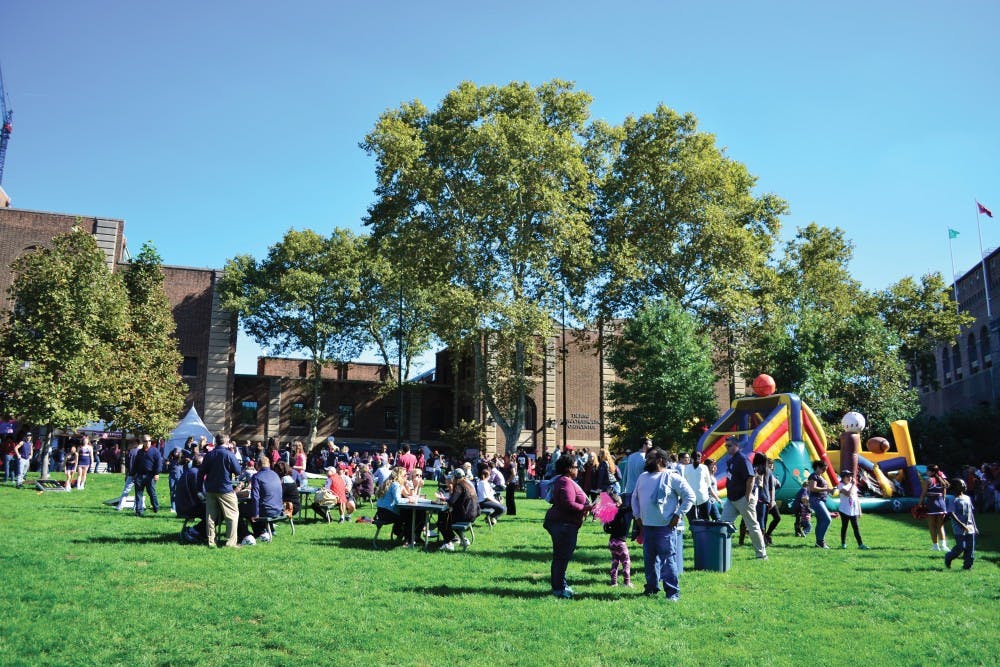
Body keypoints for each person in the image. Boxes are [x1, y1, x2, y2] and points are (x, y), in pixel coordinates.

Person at [631, 448, 695, 600]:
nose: (646, 461)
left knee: (667, 561)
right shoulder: (643, 477)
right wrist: (637, 516)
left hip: (665, 527)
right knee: (650, 561)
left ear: (660, 460)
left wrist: (678, 515)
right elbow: (635, 498)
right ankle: (651, 588)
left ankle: (672, 593)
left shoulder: (672, 477)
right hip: (647, 526)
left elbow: (690, 496)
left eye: (649, 458)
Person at [543, 455, 593, 599]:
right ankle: (559, 589)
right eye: (576, 467)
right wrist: (586, 507)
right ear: (569, 469)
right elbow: (568, 503)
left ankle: (561, 585)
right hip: (563, 525)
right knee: (561, 557)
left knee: (561, 557)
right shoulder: (565, 482)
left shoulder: (565, 481)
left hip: (563, 524)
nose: (578, 469)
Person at [721, 437, 768, 559]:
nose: (727, 448)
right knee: (722, 525)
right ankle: (721, 552)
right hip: (732, 499)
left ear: (737, 446)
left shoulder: (742, 459)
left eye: (729, 445)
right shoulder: (732, 459)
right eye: (726, 446)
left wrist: (748, 495)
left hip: (743, 498)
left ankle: (761, 555)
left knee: (752, 526)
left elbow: (751, 477)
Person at [201, 434, 242, 548]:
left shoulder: (209, 455)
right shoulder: (229, 454)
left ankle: (211, 542)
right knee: (232, 516)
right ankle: (230, 542)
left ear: (216, 441)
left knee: (210, 517)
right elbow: (238, 470)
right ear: (227, 441)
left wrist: (200, 489)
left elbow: (201, 472)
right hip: (225, 489)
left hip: (210, 489)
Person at [241, 456, 284, 542]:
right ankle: (261, 532)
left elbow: (255, 497)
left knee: (239, 508)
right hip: (278, 509)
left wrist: (256, 514)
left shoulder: (256, 477)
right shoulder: (275, 475)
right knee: (251, 508)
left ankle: (245, 534)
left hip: (266, 510)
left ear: (258, 466)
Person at [437, 469, 480, 551]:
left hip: (466, 515)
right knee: (447, 516)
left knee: (442, 520)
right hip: (473, 514)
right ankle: (463, 539)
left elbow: (452, 502)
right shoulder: (468, 484)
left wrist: (443, 499)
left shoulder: (459, 486)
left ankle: (449, 543)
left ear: (455, 477)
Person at [944, 478, 977, 570]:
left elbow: (971, 513)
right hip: (959, 527)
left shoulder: (967, 498)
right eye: (961, 484)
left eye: (964, 483)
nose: (964, 485)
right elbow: (951, 513)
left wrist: (974, 526)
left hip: (970, 527)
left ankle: (967, 566)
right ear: (955, 487)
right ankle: (948, 557)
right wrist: (961, 524)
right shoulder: (952, 499)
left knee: (970, 548)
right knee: (961, 547)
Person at [175, 454, 207, 543]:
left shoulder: (190, 471)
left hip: (183, 505)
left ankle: (200, 532)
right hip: (190, 507)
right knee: (216, 512)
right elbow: (201, 493)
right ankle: (195, 531)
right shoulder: (196, 473)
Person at [603, 492, 632, 587]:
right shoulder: (620, 511)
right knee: (626, 563)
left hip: (612, 542)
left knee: (615, 562)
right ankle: (627, 583)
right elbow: (629, 508)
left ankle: (613, 582)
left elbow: (607, 529)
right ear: (617, 503)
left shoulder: (609, 514)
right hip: (620, 543)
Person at [835, 470, 869, 549]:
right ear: (843, 478)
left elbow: (856, 498)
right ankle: (843, 544)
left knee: (856, 527)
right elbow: (847, 494)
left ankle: (860, 544)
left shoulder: (852, 485)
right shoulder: (840, 485)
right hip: (844, 510)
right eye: (847, 476)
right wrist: (853, 485)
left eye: (850, 476)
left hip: (854, 510)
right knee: (844, 527)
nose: (849, 478)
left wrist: (859, 510)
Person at [920, 464, 950, 551]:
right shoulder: (943, 481)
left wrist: (920, 504)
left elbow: (924, 493)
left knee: (932, 526)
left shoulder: (928, 480)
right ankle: (944, 546)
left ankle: (935, 546)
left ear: (932, 472)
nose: (926, 472)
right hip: (941, 504)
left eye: (928, 470)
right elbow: (944, 495)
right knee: (940, 526)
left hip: (931, 504)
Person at [375, 467, 410, 542]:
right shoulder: (395, 484)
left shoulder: (387, 482)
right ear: (399, 476)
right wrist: (409, 500)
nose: (406, 476)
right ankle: (406, 537)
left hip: (380, 513)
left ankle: (399, 533)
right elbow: (398, 501)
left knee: (404, 515)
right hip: (388, 514)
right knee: (409, 517)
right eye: (405, 475)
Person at [133, 436, 163, 516]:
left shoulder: (155, 451)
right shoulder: (139, 452)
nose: (148, 442)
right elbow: (136, 463)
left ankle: (156, 508)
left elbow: (159, 463)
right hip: (139, 475)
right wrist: (133, 474)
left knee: (151, 493)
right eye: (146, 441)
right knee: (138, 494)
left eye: (149, 440)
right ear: (143, 442)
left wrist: (157, 473)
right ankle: (139, 511)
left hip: (150, 475)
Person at [806, 460, 833, 549]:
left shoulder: (819, 476)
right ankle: (821, 541)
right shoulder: (813, 476)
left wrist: (828, 491)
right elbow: (813, 488)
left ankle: (818, 542)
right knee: (827, 519)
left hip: (820, 500)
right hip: (816, 500)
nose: (824, 471)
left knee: (821, 521)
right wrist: (827, 489)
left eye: (825, 469)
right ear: (817, 467)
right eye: (823, 469)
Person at [681, 451, 712, 522]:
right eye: (696, 457)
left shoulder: (704, 467)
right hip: (692, 497)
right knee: (694, 519)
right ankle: (697, 532)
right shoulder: (686, 468)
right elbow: (684, 481)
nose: (697, 458)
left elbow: (708, 482)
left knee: (703, 519)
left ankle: (701, 532)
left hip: (702, 497)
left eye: (699, 456)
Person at [115, 440, 140, 510]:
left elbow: (127, 465)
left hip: (131, 474)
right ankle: (136, 507)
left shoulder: (130, 452)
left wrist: (126, 475)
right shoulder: (141, 452)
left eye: (131, 443)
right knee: (138, 492)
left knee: (126, 490)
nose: (130, 445)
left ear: (135, 444)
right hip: (139, 475)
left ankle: (120, 506)